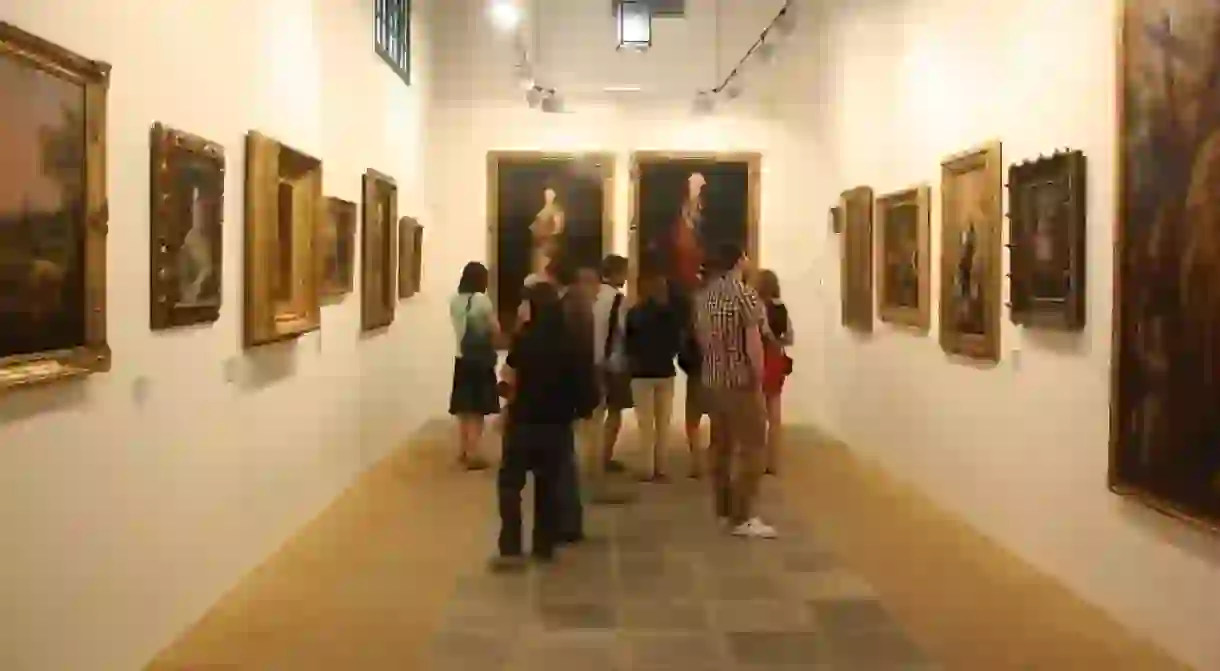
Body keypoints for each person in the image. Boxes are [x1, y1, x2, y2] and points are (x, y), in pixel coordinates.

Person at [493, 283, 596, 568]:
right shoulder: (571, 341)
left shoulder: (523, 340)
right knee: (548, 485)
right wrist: (580, 410)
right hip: (556, 425)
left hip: (523, 422)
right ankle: (543, 544)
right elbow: (585, 384)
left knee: (510, 483)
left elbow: (508, 379)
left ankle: (511, 542)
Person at [693, 243, 776, 539]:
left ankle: (724, 510)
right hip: (741, 382)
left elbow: (703, 341)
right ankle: (742, 516)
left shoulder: (703, 298)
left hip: (714, 380)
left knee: (721, 447)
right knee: (753, 447)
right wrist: (758, 378)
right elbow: (753, 343)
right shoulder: (744, 295)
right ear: (738, 261)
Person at [625, 271, 682, 481]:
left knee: (645, 423)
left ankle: (646, 467)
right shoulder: (671, 315)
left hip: (640, 373)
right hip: (665, 371)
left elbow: (627, 344)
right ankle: (662, 467)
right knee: (663, 423)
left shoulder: (634, 314)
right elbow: (677, 343)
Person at [448, 262, 501, 469]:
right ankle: (473, 453)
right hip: (479, 359)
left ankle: (463, 450)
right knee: (477, 409)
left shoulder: (454, 300)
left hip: (461, 358)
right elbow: (494, 328)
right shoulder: (482, 301)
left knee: (464, 408)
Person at [590, 254, 633, 473]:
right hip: (613, 362)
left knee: (594, 411)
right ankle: (605, 455)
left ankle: (592, 455)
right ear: (616, 273)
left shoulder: (592, 296)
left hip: (590, 360)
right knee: (614, 411)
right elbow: (624, 331)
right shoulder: (619, 299)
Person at [753, 269, 794, 475]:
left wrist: (770, 339)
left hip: (759, 358)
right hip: (776, 360)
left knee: (758, 414)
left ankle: (758, 460)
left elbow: (762, 331)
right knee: (774, 416)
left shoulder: (758, 306)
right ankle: (773, 462)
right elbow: (790, 337)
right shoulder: (782, 308)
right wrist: (779, 343)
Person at [677, 274, 708, 479]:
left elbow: (686, 336)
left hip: (697, 367)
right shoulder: (718, 303)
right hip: (717, 365)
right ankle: (714, 458)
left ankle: (697, 461)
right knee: (718, 416)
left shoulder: (690, 306)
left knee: (693, 419)